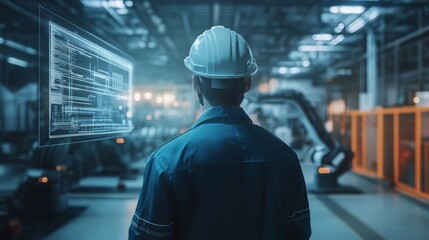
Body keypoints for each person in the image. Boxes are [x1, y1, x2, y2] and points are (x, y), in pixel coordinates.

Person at [129, 26, 311, 240]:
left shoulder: (165, 162)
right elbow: (298, 232)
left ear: (196, 83)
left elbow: (147, 237)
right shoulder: (284, 157)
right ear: (247, 83)